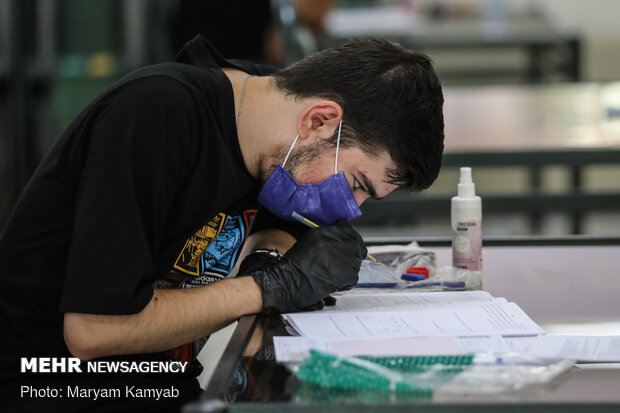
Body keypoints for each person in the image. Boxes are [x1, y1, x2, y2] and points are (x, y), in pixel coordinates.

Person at [0, 36, 444, 412]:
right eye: (357, 183)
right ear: (319, 120)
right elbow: (93, 332)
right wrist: (269, 286)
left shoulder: (270, 119)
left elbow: (282, 222)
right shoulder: (159, 115)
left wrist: (270, 254)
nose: (350, 208)